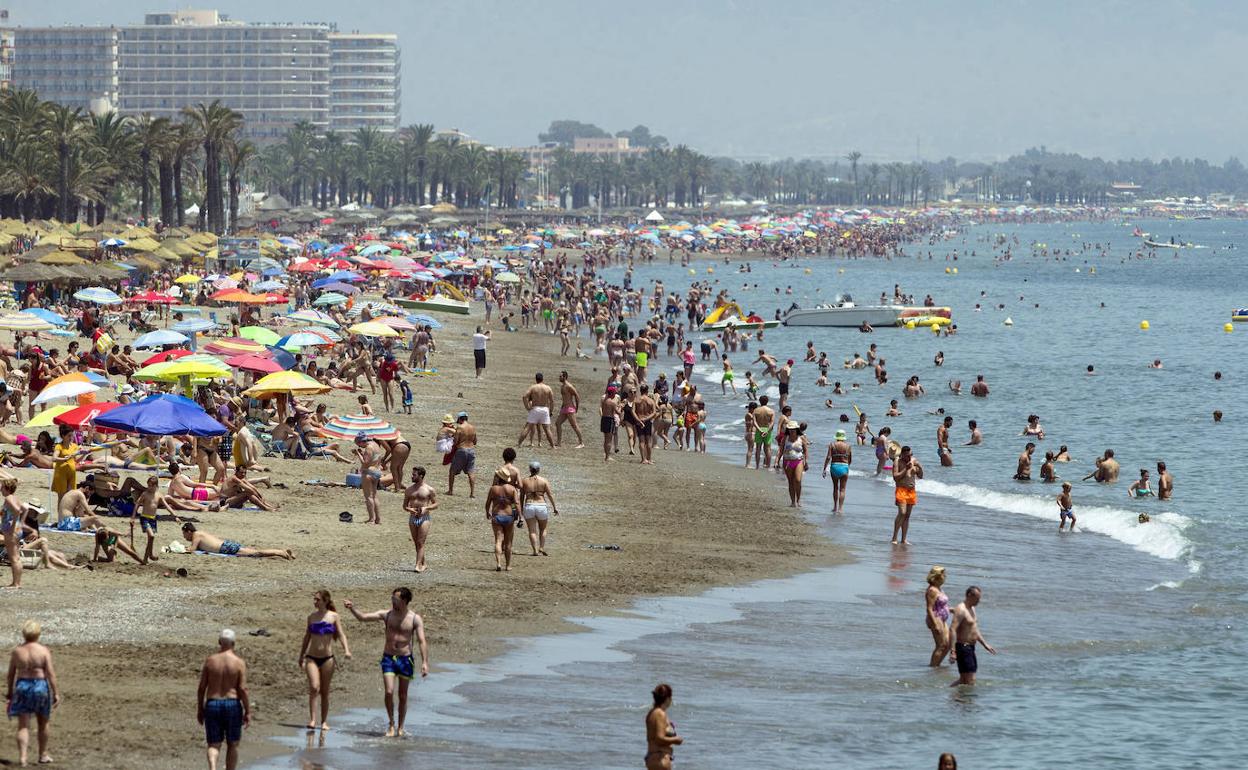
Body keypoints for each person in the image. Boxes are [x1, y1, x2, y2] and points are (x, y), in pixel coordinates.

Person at [344, 588, 429, 738]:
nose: (392, 601)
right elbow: (363, 617)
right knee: (389, 691)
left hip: (405, 659)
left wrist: (425, 662)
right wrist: (352, 608)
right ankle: (391, 723)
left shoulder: (415, 619)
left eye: (395, 599)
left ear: (404, 601)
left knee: (403, 695)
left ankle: (400, 726)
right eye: (392, 598)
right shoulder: (387, 614)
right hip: (389, 658)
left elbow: (422, 641)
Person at [6, 620, 59, 767]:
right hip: (40, 686)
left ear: (24, 634)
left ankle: (23, 757)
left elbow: (11, 675)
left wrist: (10, 692)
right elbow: (50, 674)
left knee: (23, 725)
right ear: (38, 634)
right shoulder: (43, 651)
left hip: (22, 686)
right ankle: (42, 755)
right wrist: (56, 692)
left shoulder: (17, 651)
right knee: (43, 722)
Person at [298, 590, 352, 731]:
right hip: (311, 657)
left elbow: (341, 634)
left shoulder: (334, 616)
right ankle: (312, 720)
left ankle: (324, 722)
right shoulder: (311, 617)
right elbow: (307, 637)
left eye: (317, 599)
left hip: (328, 659)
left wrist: (346, 650)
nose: (315, 602)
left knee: (325, 691)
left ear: (325, 601)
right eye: (314, 599)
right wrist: (301, 655)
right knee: (314, 687)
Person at [197, 629, 250, 770]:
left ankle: (213, 767)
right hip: (232, 704)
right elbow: (242, 689)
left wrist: (200, 709)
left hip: (212, 703)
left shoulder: (210, 661)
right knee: (232, 744)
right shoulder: (239, 663)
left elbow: (202, 688)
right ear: (234, 644)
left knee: (213, 744)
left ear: (219, 642)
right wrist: (248, 711)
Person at [950, 586, 996, 686]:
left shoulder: (972, 609)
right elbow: (952, 629)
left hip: (970, 648)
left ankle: (947, 693)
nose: (979, 601)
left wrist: (985, 644)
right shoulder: (961, 609)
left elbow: (974, 629)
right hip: (963, 648)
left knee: (964, 680)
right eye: (977, 599)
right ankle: (964, 697)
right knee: (970, 680)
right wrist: (953, 651)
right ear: (969, 595)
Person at [181, 523, 294, 560]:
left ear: (189, 531)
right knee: (254, 552)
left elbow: (192, 549)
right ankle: (281, 551)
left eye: (184, 534)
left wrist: (178, 549)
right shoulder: (200, 534)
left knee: (256, 553)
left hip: (225, 548)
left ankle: (280, 552)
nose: (184, 537)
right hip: (226, 546)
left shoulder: (197, 535)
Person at [519, 460, 559, 556]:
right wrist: (554, 507)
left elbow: (521, 496)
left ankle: (535, 551)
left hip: (529, 505)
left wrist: (520, 509)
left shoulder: (524, 481)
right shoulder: (544, 480)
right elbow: (550, 495)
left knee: (532, 530)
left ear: (530, 469)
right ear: (539, 469)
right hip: (541, 505)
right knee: (543, 529)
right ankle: (541, 547)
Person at [402, 466, 437, 573]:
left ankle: (418, 565)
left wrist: (426, 508)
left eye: (414, 475)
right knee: (416, 543)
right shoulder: (409, 490)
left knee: (420, 542)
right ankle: (423, 563)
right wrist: (410, 509)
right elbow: (404, 506)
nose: (412, 476)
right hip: (413, 517)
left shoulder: (429, 489)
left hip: (424, 518)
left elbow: (436, 504)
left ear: (421, 476)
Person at [486, 468, 520, 572]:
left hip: (497, 516)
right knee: (508, 542)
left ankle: (499, 563)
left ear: (499, 477)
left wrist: (487, 512)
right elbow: (516, 503)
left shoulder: (493, 489)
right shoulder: (512, 489)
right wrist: (520, 516)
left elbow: (488, 503)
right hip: (509, 517)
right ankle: (508, 566)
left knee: (498, 540)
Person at [645, 683, 683, 770]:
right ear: (667, 699)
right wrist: (676, 740)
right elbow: (659, 738)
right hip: (660, 758)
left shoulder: (652, 712)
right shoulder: (660, 714)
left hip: (653, 757)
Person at [891, 445, 923, 544]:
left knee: (907, 516)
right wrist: (906, 468)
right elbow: (895, 477)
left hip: (911, 491)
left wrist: (920, 467)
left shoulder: (913, 461)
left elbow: (920, 476)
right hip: (901, 490)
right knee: (902, 512)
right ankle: (894, 538)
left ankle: (903, 539)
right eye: (907, 456)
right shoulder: (897, 462)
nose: (909, 457)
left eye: (910, 455)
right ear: (902, 455)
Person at [518, 372, 556, 448]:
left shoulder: (533, 387)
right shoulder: (548, 388)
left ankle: (519, 444)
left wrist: (527, 407)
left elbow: (524, 396)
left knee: (527, 428)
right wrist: (550, 411)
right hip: (544, 409)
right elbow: (552, 401)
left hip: (535, 409)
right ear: (542, 379)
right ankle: (553, 446)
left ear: (536, 379)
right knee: (547, 429)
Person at [355, 433, 385, 525]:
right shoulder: (376, 445)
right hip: (376, 471)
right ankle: (378, 519)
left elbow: (365, 463)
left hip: (368, 472)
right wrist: (362, 453)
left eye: (359, 444)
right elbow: (374, 459)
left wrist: (358, 454)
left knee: (368, 496)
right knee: (374, 496)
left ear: (361, 442)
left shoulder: (368, 448)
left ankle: (371, 519)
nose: (360, 446)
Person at [925, 566, 951, 667]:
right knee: (941, 645)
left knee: (948, 644)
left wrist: (953, 610)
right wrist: (935, 624)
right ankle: (933, 667)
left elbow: (941, 605)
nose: (945, 576)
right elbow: (929, 608)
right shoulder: (932, 590)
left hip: (942, 619)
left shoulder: (939, 589)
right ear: (937, 577)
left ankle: (937, 665)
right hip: (936, 618)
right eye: (944, 575)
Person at [822, 428, 853, 513]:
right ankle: (840, 508)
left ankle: (835, 507)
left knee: (835, 487)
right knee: (842, 489)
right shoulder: (848, 446)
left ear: (836, 437)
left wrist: (824, 468)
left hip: (834, 466)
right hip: (844, 466)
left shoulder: (832, 445)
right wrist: (847, 467)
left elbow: (828, 457)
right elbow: (850, 459)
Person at [448, 412, 477, 497]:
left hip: (462, 450)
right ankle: (472, 493)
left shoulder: (460, 428)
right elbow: (475, 441)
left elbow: (456, 442)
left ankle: (450, 491)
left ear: (460, 419)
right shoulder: (472, 427)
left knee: (452, 471)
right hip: (471, 450)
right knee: (471, 472)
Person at [2, 478, 25, 588]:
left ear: (7, 488)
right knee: (16, 557)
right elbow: (25, 509)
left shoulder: (8, 498)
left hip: (11, 531)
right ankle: (16, 582)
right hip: (17, 529)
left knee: (14, 558)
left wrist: (13, 525)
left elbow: (17, 511)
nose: (0, 490)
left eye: (2, 487)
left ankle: (16, 583)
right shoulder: (15, 498)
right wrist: (21, 523)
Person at [554, 371, 584, 448]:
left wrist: (577, 407)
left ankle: (581, 443)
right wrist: (561, 408)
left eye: (560, 376)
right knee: (557, 423)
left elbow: (577, 396)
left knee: (574, 425)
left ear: (565, 377)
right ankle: (559, 442)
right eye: (559, 376)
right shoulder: (562, 386)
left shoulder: (569, 386)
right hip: (564, 408)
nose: (559, 377)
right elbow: (564, 398)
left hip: (570, 408)